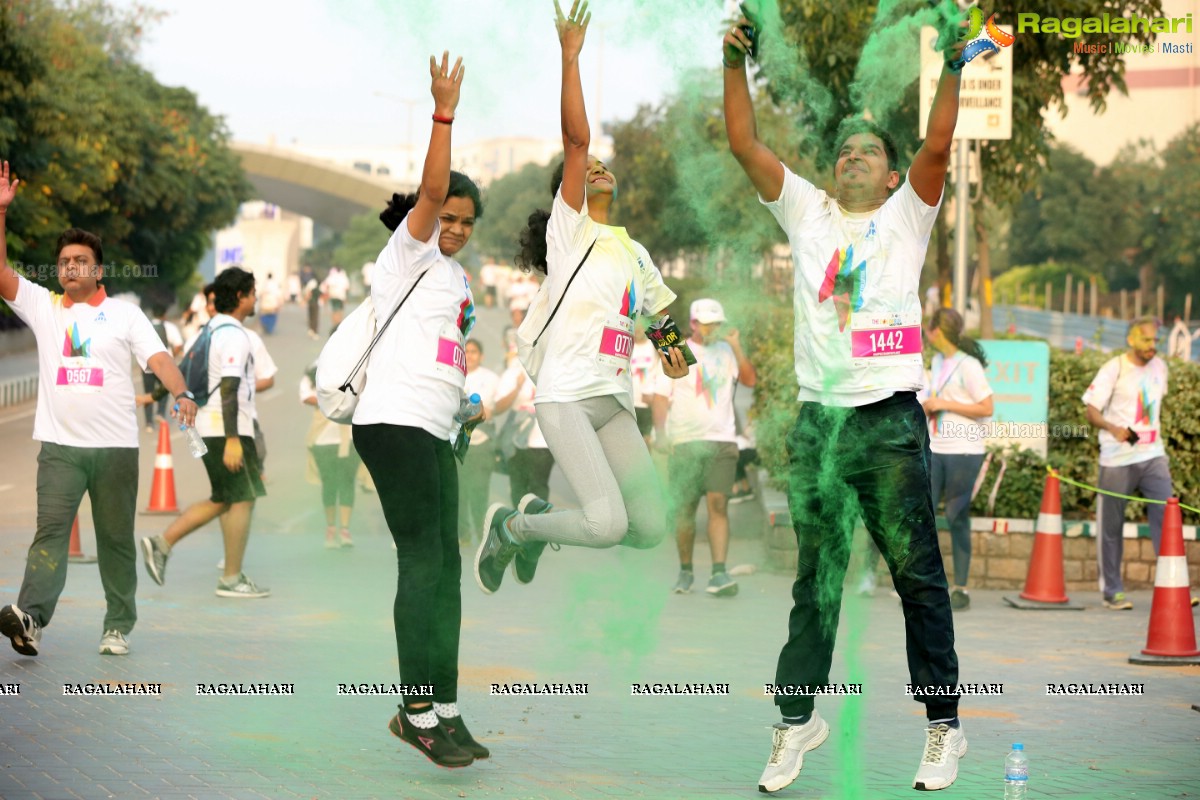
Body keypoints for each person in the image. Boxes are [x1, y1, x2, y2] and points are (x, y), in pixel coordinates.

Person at [723, 11, 968, 793]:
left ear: (893, 178)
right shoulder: (807, 213)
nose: (853, 157)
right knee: (815, 585)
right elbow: (743, 143)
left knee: (918, 579)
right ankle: (796, 725)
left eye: (869, 152)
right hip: (818, 424)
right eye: (843, 151)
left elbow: (936, 145)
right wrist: (735, 63)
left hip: (891, 420)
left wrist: (955, 66)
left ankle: (943, 729)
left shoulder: (907, 216)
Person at [473, 0, 689, 595]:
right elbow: (575, 137)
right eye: (584, 168)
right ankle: (515, 527)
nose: (596, 167)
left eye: (601, 165)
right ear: (567, 191)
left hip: (612, 400)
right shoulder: (570, 232)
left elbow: (660, 315)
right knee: (606, 520)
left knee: (647, 525)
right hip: (566, 394)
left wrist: (673, 352)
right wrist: (571, 58)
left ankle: (537, 518)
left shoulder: (634, 251)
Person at [349, 51, 488, 769]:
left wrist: (467, 403)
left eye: (467, 220)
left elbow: (442, 354)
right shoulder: (406, 255)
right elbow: (432, 189)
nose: (455, 226)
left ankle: (449, 706)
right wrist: (443, 112)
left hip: (436, 427)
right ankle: (414, 710)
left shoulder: (458, 279)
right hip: (391, 423)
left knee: (449, 565)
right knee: (422, 562)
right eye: (448, 216)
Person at [0, 161, 199, 657]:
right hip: (61, 448)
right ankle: (31, 618)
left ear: (98, 269)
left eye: (80, 260)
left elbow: (158, 359)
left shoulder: (125, 315)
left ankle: (118, 625)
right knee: (49, 535)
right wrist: (0, 212)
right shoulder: (45, 307)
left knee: (114, 541)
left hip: (114, 450)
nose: (70, 267)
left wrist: (182, 393)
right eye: (64, 261)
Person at [139, 267, 269, 600]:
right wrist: (233, 440)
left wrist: (151, 397)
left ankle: (227, 572)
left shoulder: (207, 330)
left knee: (232, 497)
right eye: (252, 293)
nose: (255, 299)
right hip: (225, 429)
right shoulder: (235, 335)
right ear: (240, 297)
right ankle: (168, 545)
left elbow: (181, 371)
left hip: (204, 427)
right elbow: (229, 388)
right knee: (234, 498)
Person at [654, 299, 756, 598]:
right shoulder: (677, 348)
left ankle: (719, 572)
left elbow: (750, 380)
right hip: (685, 442)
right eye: (707, 324)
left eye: (717, 324)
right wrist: (661, 434)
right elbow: (661, 396)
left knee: (718, 504)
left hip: (722, 441)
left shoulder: (726, 351)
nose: (713, 330)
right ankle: (685, 571)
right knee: (685, 510)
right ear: (694, 323)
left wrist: (736, 346)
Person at [1082, 317, 1182, 610]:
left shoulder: (1160, 368)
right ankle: (1112, 591)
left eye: (1155, 340)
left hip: (1153, 455)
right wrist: (1113, 428)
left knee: (1167, 517)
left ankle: (1173, 586)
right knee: (1111, 527)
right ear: (1131, 340)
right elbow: (1091, 410)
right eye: (1147, 340)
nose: (1153, 346)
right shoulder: (1115, 367)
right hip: (1116, 459)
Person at [920, 307, 993, 611]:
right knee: (925, 516)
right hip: (936, 448)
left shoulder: (969, 365)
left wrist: (943, 403)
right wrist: (928, 405)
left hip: (965, 450)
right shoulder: (937, 361)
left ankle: (960, 587)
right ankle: (926, 585)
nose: (925, 334)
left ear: (938, 331)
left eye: (928, 328)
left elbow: (986, 407)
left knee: (956, 516)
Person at [301, 362, 360, 548]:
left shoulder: (357, 364)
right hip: (323, 439)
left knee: (347, 481)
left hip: (350, 438)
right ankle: (330, 528)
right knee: (329, 483)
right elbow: (305, 396)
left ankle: (344, 529)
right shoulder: (317, 366)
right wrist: (337, 400)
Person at [493, 358, 556, 512]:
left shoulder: (557, 366)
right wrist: (517, 386)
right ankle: (521, 530)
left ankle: (538, 531)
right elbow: (498, 407)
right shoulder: (515, 371)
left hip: (544, 443)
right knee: (518, 487)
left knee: (539, 487)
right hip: (516, 442)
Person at [458, 339, 501, 546]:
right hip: (457, 446)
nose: (470, 355)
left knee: (479, 493)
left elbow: (485, 411)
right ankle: (462, 535)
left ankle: (481, 534)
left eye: (474, 352)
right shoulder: (455, 378)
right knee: (458, 493)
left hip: (481, 445)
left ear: (481, 356)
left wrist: (465, 412)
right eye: (466, 351)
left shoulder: (490, 378)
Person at [142, 302, 184, 432]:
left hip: (147, 365)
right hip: (164, 366)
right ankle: (160, 413)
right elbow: (178, 345)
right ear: (164, 314)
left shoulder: (144, 326)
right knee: (164, 389)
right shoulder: (169, 327)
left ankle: (149, 423)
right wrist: (171, 358)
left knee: (148, 393)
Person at [629, 321, 663, 447]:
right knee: (633, 445)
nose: (638, 329)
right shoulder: (628, 346)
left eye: (641, 325)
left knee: (648, 443)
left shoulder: (653, 346)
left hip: (649, 403)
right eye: (635, 326)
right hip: (631, 403)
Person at [303, 267, 321, 339]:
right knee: (315, 317)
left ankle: (311, 329)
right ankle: (314, 331)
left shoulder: (310, 282)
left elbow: (307, 292)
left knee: (310, 316)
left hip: (310, 302)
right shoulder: (315, 282)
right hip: (315, 302)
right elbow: (310, 292)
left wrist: (304, 300)